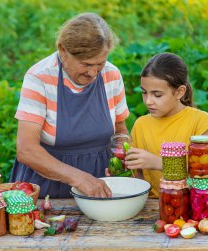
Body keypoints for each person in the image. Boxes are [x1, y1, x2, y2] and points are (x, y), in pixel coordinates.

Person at [10, 13, 129, 198]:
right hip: (48, 189)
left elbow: (120, 131)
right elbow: (26, 150)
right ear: (63, 51)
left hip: (101, 187)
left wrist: (122, 165)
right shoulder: (39, 78)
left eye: (100, 64)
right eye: (86, 64)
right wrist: (80, 178)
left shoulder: (111, 74)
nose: (93, 73)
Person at [124, 52, 208, 198]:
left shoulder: (201, 122)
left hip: (193, 203)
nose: (148, 101)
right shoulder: (141, 125)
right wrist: (121, 173)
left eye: (157, 95)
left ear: (179, 92)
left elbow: (204, 174)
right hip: (152, 206)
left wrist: (160, 163)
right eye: (144, 93)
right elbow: (138, 176)